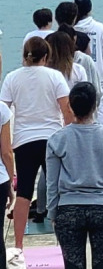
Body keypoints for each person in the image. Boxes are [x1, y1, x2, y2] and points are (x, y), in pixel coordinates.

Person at [46, 82, 103, 269]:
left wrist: (53, 213)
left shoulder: (57, 140)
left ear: (70, 106)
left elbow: (52, 183)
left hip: (69, 210)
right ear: (95, 105)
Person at [1, 37, 71, 250]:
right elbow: (66, 111)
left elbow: (3, 111)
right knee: (58, 191)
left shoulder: (12, 78)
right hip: (52, 139)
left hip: (24, 141)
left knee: (24, 192)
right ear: (46, 56)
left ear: (25, 55)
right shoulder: (55, 76)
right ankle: (64, 241)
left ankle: (19, 244)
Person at [73, 0, 103, 128]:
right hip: (99, 73)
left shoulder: (72, 29)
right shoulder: (99, 27)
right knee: (102, 109)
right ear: (90, 10)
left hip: (76, 74)